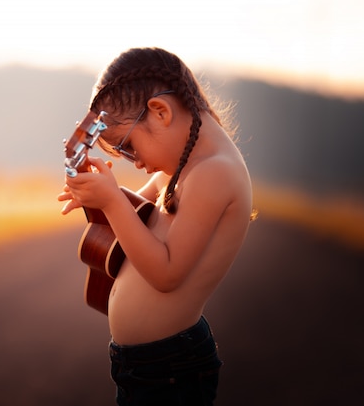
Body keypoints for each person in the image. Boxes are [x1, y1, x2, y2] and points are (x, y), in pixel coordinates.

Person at [57, 47, 254, 405]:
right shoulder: (179, 167)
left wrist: (111, 201)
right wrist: (98, 195)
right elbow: (138, 212)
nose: (134, 162)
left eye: (128, 147)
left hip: (171, 371)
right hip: (148, 365)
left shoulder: (215, 172)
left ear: (160, 112)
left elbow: (167, 273)